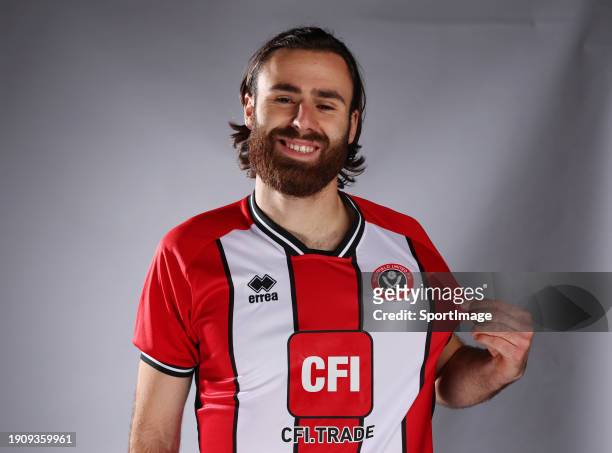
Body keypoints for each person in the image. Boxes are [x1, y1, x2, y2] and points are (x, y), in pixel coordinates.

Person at [128, 27, 533, 453]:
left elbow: (442, 371)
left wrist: (497, 369)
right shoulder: (190, 253)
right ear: (250, 108)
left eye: (325, 104)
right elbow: (154, 434)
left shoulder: (406, 243)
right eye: (284, 98)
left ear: (352, 124)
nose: (303, 121)